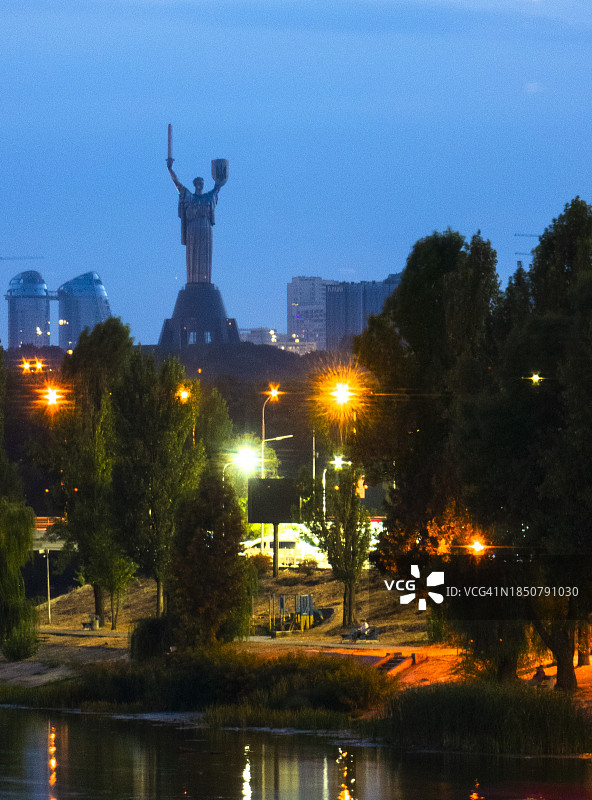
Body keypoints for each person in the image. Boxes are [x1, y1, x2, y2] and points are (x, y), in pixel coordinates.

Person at [167, 157, 227, 284]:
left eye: (202, 183)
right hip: (193, 229)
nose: (201, 185)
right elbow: (177, 183)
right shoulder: (189, 196)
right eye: (199, 183)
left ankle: (205, 281)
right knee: (193, 255)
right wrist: (170, 169)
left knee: (205, 257)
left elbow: (218, 187)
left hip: (205, 229)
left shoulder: (208, 197)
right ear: (195, 184)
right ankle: (193, 281)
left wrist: (220, 176)